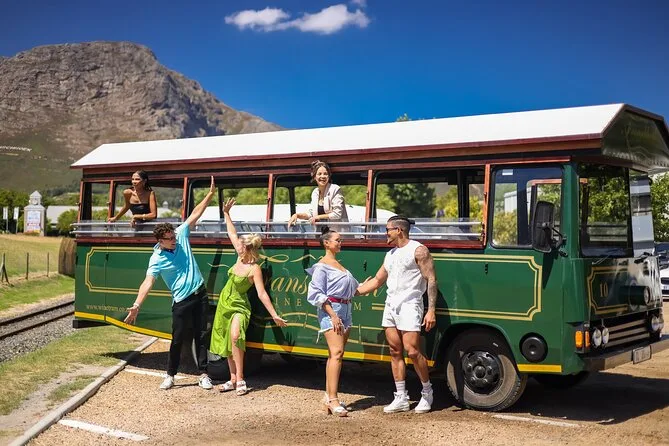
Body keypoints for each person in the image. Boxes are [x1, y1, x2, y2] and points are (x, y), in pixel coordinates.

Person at [124, 176, 216, 391]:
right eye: (170, 238)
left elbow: (196, 213)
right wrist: (137, 305)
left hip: (200, 293)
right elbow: (148, 282)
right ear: (160, 241)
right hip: (181, 300)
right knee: (177, 339)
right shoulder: (156, 259)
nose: (174, 239)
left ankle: (204, 375)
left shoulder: (181, 234)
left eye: (174, 236)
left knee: (202, 335)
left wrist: (210, 195)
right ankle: (170, 375)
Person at [356, 215, 438, 414]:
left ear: (399, 230)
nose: (385, 234)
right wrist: (354, 291)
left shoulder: (419, 250)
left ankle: (427, 392)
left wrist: (431, 310)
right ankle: (401, 397)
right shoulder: (390, 254)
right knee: (394, 351)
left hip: (411, 304)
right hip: (391, 305)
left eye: (387, 230)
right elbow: (377, 280)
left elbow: (431, 279)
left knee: (412, 351)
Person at [210, 197, 287, 395]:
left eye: (242, 245)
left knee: (236, 336)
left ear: (249, 248)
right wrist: (226, 214)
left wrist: (274, 315)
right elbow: (232, 233)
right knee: (227, 339)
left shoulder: (254, 269)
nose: (238, 246)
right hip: (225, 303)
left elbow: (261, 293)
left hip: (239, 305)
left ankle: (241, 377)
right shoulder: (239, 256)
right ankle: (232, 378)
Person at [306, 226, 360, 417]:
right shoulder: (322, 266)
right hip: (333, 310)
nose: (340, 242)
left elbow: (356, 290)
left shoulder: (339, 265)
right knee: (336, 353)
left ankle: (328, 398)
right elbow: (316, 293)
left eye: (340, 240)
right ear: (326, 243)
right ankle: (333, 400)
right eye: (337, 240)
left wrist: (379, 278)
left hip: (346, 309)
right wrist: (333, 315)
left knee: (335, 354)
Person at [288, 160, 348, 228]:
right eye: (319, 174)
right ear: (314, 177)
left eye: (325, 174)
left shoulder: (335, 189)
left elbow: (337, 214)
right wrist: (297, 215)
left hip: (336, 232)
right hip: (319, 232)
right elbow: (311, 214)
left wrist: (318, 217)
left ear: (329, 176)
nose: (323, 176)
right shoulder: (315, 192)